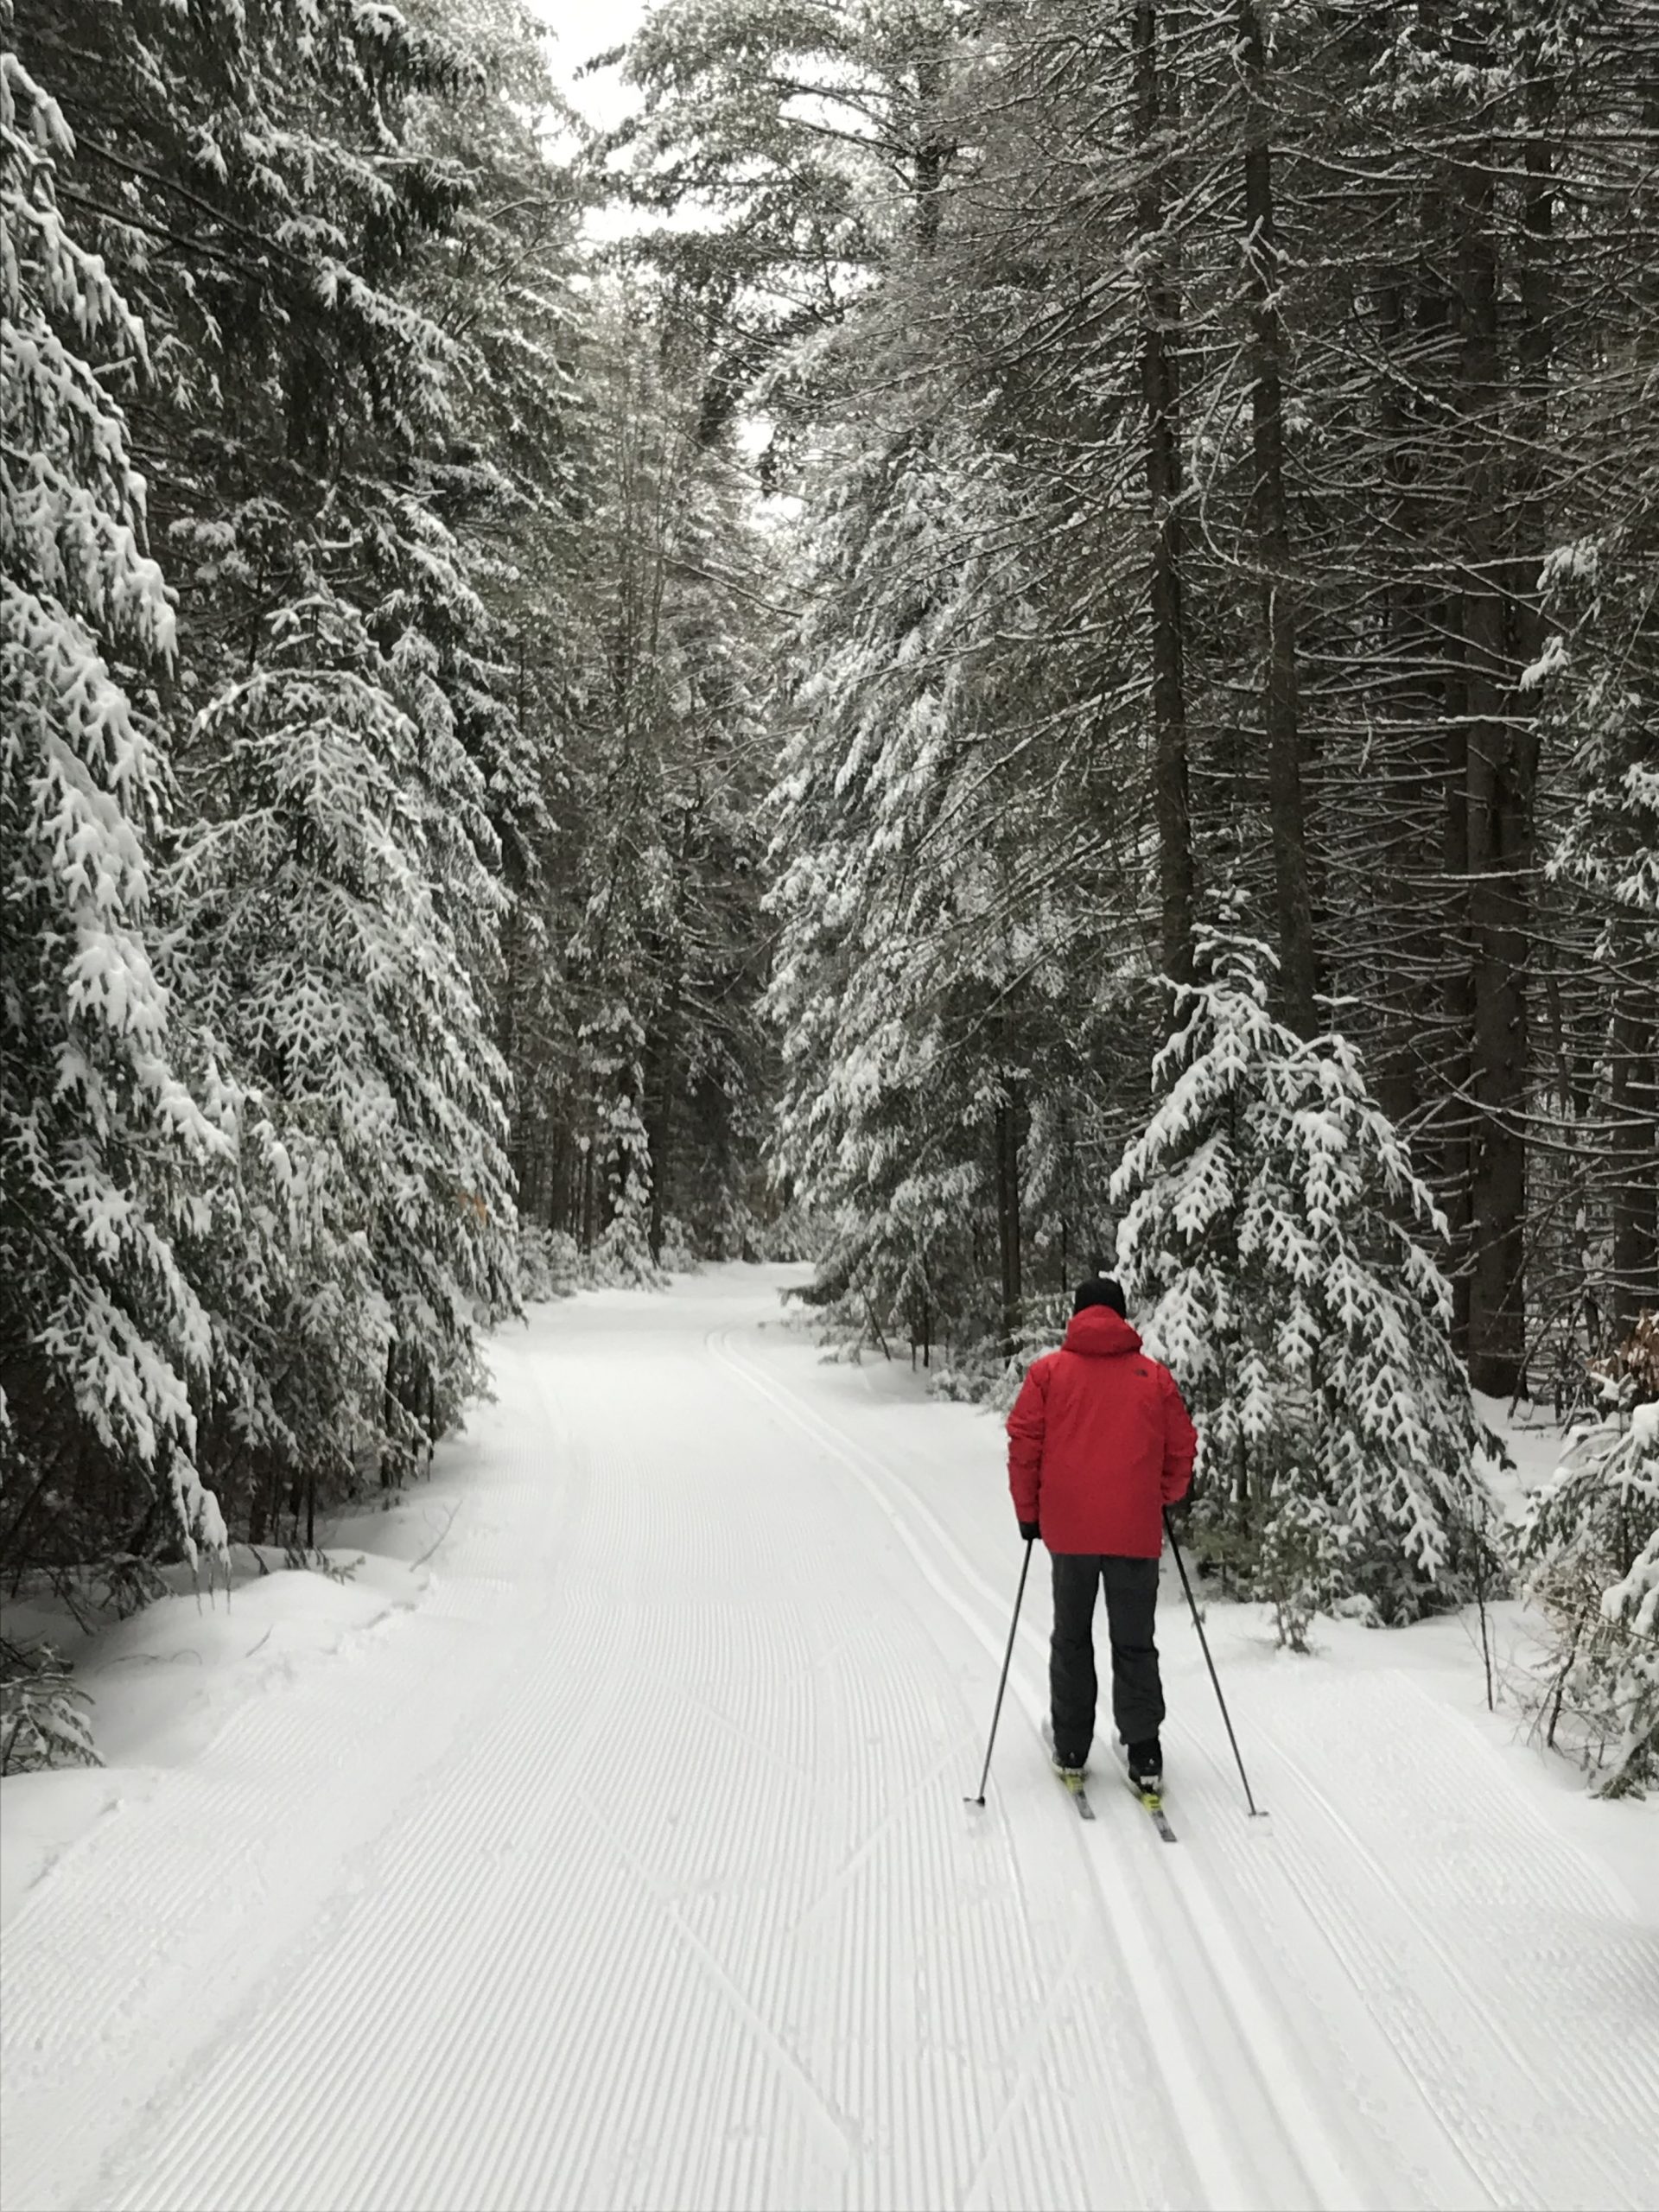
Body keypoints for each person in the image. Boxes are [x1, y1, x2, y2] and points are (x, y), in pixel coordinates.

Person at [1007, 1276, 1198, 1793]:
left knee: (1071, 1636)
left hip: (1068, 1531)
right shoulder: (1152, 1377)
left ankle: (1070, 1746)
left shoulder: (1048, 1374)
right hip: (1133, 1530)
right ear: (1121, 1316)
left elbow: (1025, 1444)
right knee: (1134, 1640)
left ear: (1077, 1314)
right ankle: (1144, 1753)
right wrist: (1161, 1496)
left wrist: (1029, 1514)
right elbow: (1182, 1449)